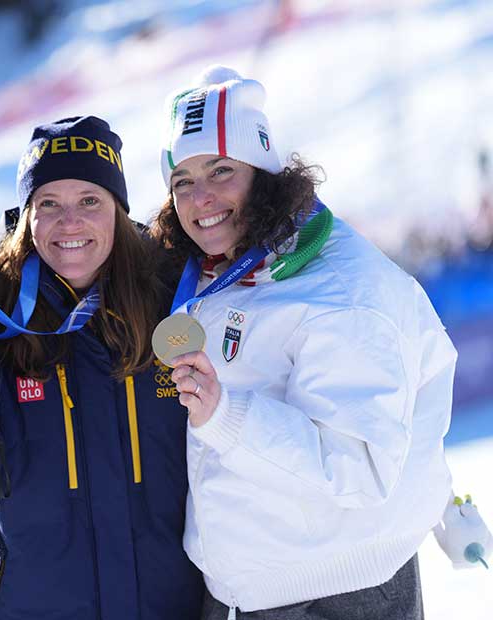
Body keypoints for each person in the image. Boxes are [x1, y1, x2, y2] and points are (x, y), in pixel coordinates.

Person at [150, 66, 459, 619]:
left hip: (337, 594)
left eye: (222, 170)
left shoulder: (341, 294)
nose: (201, 199)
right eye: (183, 181)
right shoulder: (228, 259)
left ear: (265, 173)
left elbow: (359, 464)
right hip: (256, 583)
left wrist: (227, 415)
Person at [0, 116, 204, 619]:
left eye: (89, 200)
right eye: (49, 204)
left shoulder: (176, 298)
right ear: (26, 216)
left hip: (169, 604)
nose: (70, 223)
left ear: (118, 210)